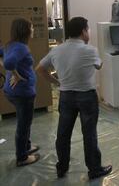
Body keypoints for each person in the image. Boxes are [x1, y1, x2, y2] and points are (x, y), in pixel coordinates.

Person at [36, 17, 112, 180]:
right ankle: (94, 169)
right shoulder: (90, 50)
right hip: (87, 97)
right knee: (89, 134)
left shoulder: (57, 50)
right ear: (83, 31)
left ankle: (62, 167)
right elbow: (99, 65)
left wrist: (56, 82)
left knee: (63, 133)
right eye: (88, 29)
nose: (89, 32)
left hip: (66, 96)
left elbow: (40, 68)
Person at [0, 19, 40, 167]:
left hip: (13, 92)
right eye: (32, 27)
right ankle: (22, 157)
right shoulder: (21, 48)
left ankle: (27, 147)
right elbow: (9, 63)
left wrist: (12, 72)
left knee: (25, 121)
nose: (33, 29)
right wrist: (15, 74)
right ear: (25, 30)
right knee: (23, 125)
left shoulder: (10, 45)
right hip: (23, 94)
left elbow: (2, 56)